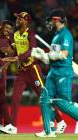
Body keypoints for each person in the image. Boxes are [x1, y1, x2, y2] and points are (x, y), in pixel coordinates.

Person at [0, 11, 66, 134]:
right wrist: (8, 60)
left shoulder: (31, 34)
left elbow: (31, 50)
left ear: (26, 21)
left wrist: (18, 58)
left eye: (20, 19)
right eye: (17, 18)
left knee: (45, 98)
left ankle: (60, 121)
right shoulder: (16, 34)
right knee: (15, 98)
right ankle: (13, 126)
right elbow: (16, 50)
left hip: (33, 69)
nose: (17, 21)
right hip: (22, 71)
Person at [31, 9, 78, 137]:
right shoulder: (56, 35)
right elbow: (52, 57)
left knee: (62, 103)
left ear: (57, 19)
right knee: (45, 99)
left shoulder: (65, 34)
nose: (50, 23)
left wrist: (48, 55)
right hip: (53, 71)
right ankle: (49, 130)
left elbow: (64, 54)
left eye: (51, 20)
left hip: (63, 72)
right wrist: (43, 56)